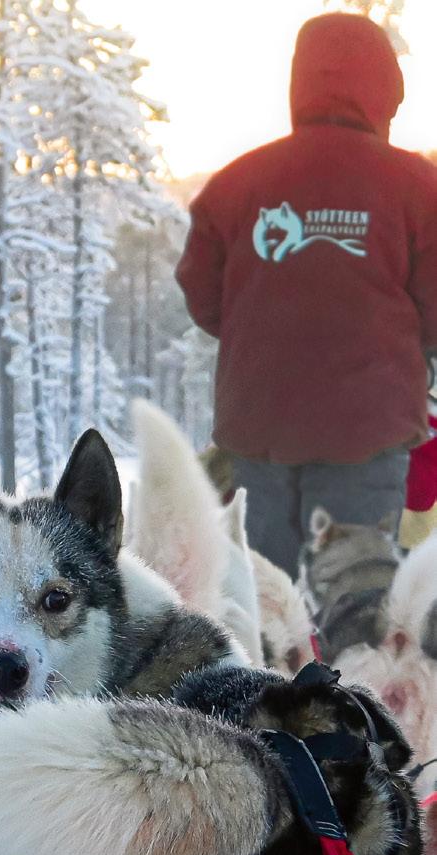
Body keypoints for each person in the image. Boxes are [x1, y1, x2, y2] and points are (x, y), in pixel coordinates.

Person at [176, 11, 437, 576]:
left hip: (258, 432)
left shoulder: (236, 184)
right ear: (384, 93)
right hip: (368, 435)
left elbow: (202, 294)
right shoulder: (418, 187)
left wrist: (266, 326)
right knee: (352, 595)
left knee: (270, 596)